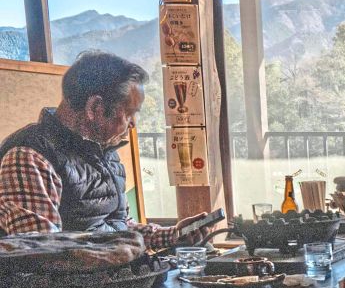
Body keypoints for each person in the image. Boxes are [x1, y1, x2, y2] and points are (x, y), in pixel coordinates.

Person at [0, 51, 212, 248]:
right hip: (75, 287)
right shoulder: (29, 156)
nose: (133, 125)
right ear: (95, 108)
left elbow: (119, 227)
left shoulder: (104, 152)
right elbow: (44, 252)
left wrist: (174, 235)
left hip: (111, 280)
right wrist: (117, 254)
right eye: (129, 114)